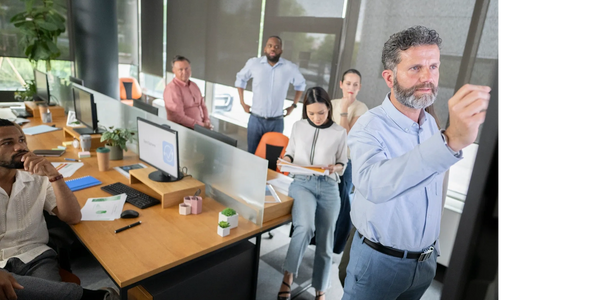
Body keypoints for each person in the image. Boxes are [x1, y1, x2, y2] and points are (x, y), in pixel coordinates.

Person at [341, 25, 491, 300]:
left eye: (433, 67)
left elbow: (435, 190)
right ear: (389, 77)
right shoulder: (368, 126)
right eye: (415, 68)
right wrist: (449, 141)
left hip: (424, 265)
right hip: (379, 263)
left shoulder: (430, 124)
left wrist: (432, 251)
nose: (428, 78)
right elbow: (374, 185)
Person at [0, 119, 120, 300]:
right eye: (8, 143)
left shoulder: (37, 176)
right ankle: (97, 297)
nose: (20, 147)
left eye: (22, 140)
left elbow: (72, 216)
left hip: (36, 257)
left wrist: (54, 176)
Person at [277, 87, 347, 300]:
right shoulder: (298, 127)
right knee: (305, 226)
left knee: (326, 241)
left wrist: (336, 167)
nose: (316, 118)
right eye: (311, 113)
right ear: (305, 111)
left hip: (328, 186)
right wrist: (286, 161)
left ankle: (321, 288)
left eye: (321, 113)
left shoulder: (339, 132)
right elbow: (290, 152)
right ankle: (288, 277)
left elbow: (343, 162)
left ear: (329, 109)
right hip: (302, 184)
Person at [235, 36, 306, 154]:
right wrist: (242, 102)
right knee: (252, 155)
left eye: (276, 47)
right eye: (270, 46)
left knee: (272, 157)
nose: (273, 49)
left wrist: (293, 105)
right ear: (265, 49)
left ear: (281, 51)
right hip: (255, 120)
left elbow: (301, 85)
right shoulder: (254, 64)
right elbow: (240, 79)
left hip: (276, 122)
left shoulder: (289, 68)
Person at [329, 69, 368, 255]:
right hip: (327, 160)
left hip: (347, 162)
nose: (351, 88)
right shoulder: (330, 104)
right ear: (341, 84)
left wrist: (344, 110)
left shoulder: (362, 108)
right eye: (348, 83)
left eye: (355, 84)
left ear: (359, 87)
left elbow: (347, 136)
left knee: (341, 204)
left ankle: (334, 246)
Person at [163, 55, 212, 129]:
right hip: (184, 130)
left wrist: (207, 121)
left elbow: (203, 106)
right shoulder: (172, 89)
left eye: (187, 68)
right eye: (180, 69)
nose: (184, 72)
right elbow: (180, 118)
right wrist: (201, 126)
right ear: (174, 71)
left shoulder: (194, 85)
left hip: (200, 127)